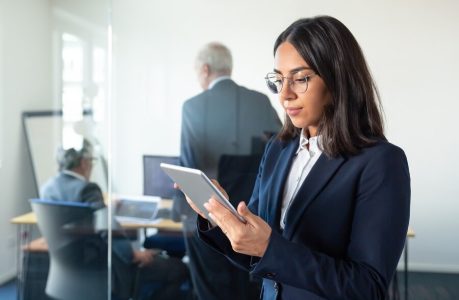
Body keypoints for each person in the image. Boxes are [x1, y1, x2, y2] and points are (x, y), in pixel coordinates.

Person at [182, 16, 411, 300]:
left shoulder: (381, 162)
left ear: (338, 79)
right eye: (279, 80)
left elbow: (368, 287)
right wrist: (220, 218)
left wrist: (269, 248)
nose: (285, 95)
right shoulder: (278, 150)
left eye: (300, 79)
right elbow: (257, 258)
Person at [172, 42, 282, 300]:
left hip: (210, 221)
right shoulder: (261, 101)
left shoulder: (192, 107)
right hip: (254, 220)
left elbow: (189, 164)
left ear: (206, 69)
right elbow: (280, 153)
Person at [41, 139, 189, 300]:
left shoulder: (48, 187)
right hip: (106, 269)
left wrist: (106, 209)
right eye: (91, 161)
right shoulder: (88, 189)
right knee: (179, 269)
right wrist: (132, 254)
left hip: (68, 270)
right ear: (83, 163)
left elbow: (82, 219)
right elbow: (107, 229)